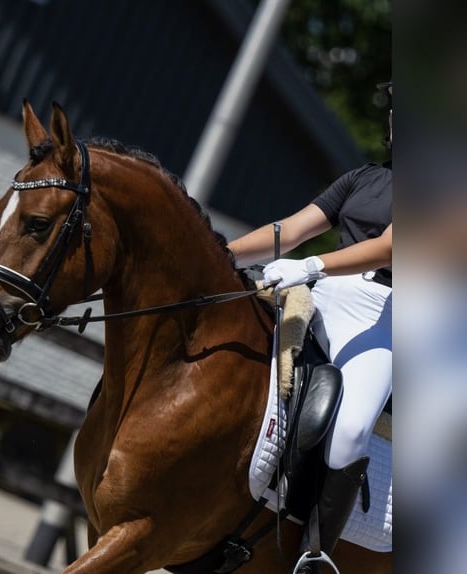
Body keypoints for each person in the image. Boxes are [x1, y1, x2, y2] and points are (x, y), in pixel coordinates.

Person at [228, 82, 392, 571]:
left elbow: (391, 246)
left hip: (386, 314)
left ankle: (314, 554)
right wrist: (220, 254)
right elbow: (291, 231)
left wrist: (312, 266)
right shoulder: (364, 178)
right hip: (324, 297)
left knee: (350, 431)